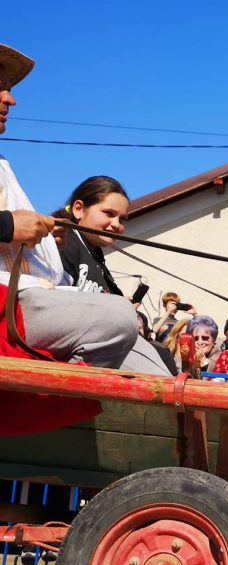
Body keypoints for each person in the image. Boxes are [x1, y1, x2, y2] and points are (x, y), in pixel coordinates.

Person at [0, 50, 169, 376]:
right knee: (117, 316)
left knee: (158, 370)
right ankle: (49, 403)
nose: (10, 99)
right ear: (79, 209)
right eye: (0, 87)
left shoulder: (3, 164)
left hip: (26, 298)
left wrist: (46, 241)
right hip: (8, 305)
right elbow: (9, 229)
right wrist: (8, 224)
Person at [57, 176, 127, 295]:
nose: (116, 224)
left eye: (122, 219)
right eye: (109, 213)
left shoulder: (96, 256)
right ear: (79, 209)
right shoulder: (63, 240)